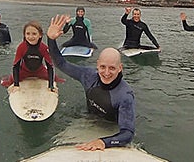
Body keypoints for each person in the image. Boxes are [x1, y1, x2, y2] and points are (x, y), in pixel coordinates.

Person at [47, 15, 135, 151]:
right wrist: (51, 40)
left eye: (112, 68)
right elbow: (61, 63)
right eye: (103, 67)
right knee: (56, 143)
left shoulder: (125, 95)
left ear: (120, 68)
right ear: (97, 65)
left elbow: (127, 133)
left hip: (111, 131)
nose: (106, 73)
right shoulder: (88, 76)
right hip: (88, 120)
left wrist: (104, 142)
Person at [0, 20, 64, 91]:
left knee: (57, 79)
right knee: (8, 81)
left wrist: (51, 86)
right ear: (24, 35)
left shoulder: (44, 48)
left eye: (34, 34)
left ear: (40, 35)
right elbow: (16, 66)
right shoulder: (21, 47)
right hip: (24, 71)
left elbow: (50, 66)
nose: (31, 37)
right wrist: (16, 85)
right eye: (28, 33)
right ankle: (4, 78)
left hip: (40, 71)